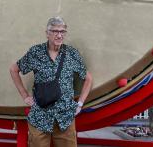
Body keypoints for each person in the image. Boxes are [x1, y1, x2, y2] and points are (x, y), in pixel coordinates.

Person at [10, 16, 93, 147]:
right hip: (40, 117)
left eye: (62, 31)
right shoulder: (35, 52)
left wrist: (80, 104)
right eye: (55, 31)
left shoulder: (72, 54)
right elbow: (14, 70)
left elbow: (88, 78)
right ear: (47, 33)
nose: (59, 35)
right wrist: (25, 96)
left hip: (65, 118)